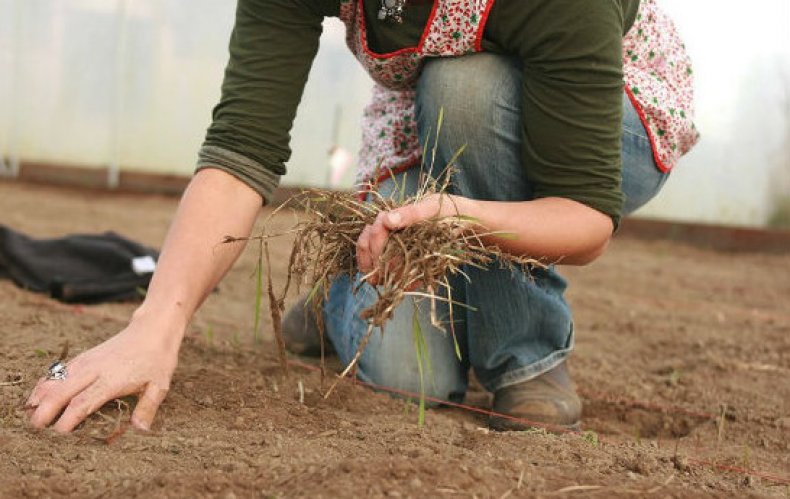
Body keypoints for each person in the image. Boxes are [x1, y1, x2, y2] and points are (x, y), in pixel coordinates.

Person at [26, 0, 697, 433]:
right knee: (412, 375)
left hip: (608, 125)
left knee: (467, 86)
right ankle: (338, 296)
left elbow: (582, 217)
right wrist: (154, 326)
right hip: (425, 118)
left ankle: (525, 356)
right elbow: (240, 155)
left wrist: (454, 214)